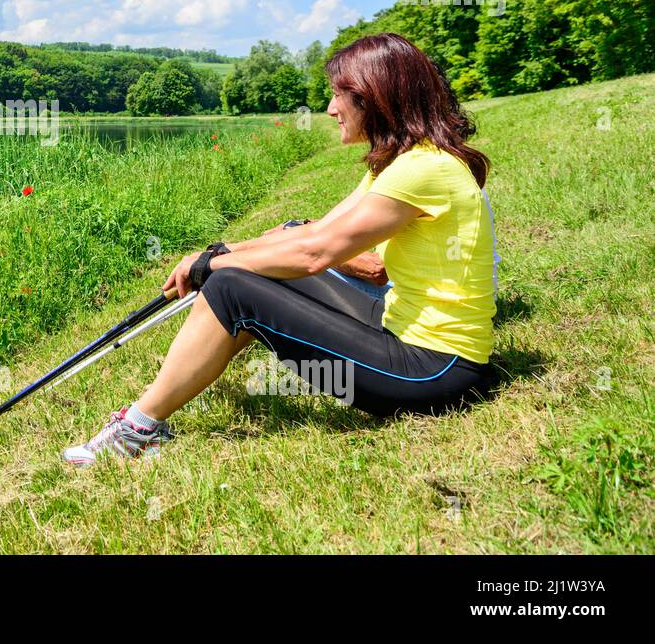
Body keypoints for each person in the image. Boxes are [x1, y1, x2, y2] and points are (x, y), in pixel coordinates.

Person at [63, 33, 498, 465]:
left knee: (234, 288)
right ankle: (167, 397)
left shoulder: (423, 169)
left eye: (338, 95)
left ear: (374, 97)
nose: (330, 109)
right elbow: (316, 232)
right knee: (246, 274)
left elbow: (315, 254)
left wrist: (216, 265)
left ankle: (136, 430)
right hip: (400, 329)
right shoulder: (405, 161)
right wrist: (221, 251)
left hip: (433, 370)